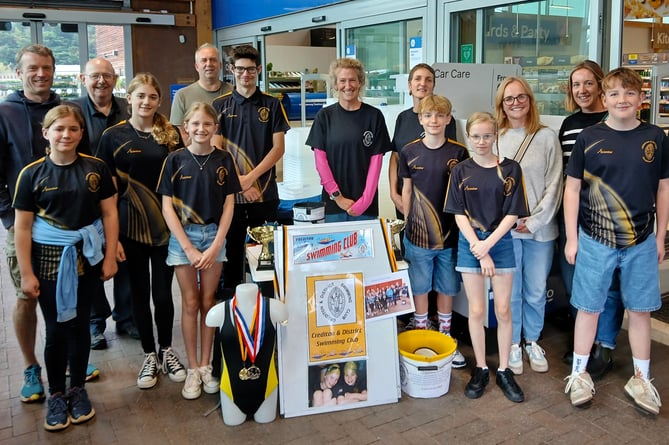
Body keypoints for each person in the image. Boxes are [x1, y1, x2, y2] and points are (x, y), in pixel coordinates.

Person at [563, 67, 669, 416]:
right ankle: (578, 375)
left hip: (641, 241)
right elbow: (573, 188)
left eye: (629, 93)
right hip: (595, 240)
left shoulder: (655, 137)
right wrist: (572, 238)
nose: (622, 99)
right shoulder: (588, 137)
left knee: (640, 310)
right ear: (604, 99)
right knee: (588, 308)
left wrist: (660, 235)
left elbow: (664, 188)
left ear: (641, 99)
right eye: (614, 94)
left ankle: (641, 377)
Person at [13, 105, 118, 431]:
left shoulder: (95, 168)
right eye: (58, 129)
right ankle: (57, 393)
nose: (66, 135)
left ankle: (78, 390)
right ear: (45, 133)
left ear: (81, 133)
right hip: (49, 263)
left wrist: (110, 255)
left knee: (81, 326)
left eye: (73, 129)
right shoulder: (31, 174)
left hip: (86, 259)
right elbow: (23, 228)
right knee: (57, 330)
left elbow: (110, 215)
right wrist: (27, 273)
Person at [96, 73, 186, 390]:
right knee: (138, 293)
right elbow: (105, 192)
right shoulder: (112, 137)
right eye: (140, 96)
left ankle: (167, 349)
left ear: (159, 101)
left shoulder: (172, 135)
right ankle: (148, 354)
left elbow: (183, 180)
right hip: (129, 230)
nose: (146, 102)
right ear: (129, 98)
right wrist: (112, 240)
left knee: (163, 294)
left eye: (151, 97)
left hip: (165, 228)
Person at [444, 111, 529, 403]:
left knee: (503, 309)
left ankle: (504, 369)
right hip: (470, 244)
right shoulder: (460, 170)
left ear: (496, 136)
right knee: (477, 310)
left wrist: (488, 246)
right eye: (476, 136)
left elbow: (513, 213)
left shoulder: (511, 169)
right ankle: (480, 367)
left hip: (500, 242)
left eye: (487, 136)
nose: (482, 142)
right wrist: (478, 249)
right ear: (469, 136)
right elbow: (458, 214)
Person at [158, 102, 240, 399]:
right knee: (190, 303)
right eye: (195, 124)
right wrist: (188, 248)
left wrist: (218, 242)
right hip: (184, 239)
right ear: (186, 128)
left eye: (207, 124)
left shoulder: (225, 159)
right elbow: (167, 206)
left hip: (214, 236)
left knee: (209, 302)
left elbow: (230, 203)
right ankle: (192, 368)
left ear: (215, 127)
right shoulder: (175, 160)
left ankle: (206, 365)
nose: (201, 129)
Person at [1, 44, 66, 403]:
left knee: (66, 296)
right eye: (33, 68)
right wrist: (10, 217)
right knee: (27, 295)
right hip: (23, 226)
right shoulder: (5, 113)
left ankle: (67, 359)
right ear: (19, 70)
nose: (41, 74)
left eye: (46, 68)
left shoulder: (65, 111)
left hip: (64, 227)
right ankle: (30, 365)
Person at [558, 60, 623, 379]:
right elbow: (565, 174)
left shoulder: (617, 120)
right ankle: (583, 339)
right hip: (573, 215)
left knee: (609, 285)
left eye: (587, 83)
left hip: (607, 218)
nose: (581, 90)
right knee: (575, 282)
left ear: (600, 85)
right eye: (575, 85)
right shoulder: (569, 124)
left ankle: (604, 346)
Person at [495, 77, 562, 375]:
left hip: (540, 230)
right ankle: (511, 344)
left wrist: (533, 221)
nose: (516, 103)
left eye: (521, 97)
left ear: (530, 100)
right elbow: (489, 187)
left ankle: (532, 340)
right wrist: (507, 220)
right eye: (509, 98)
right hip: (506, 231)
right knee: (511, 292)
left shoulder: (547, 137)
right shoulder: (495, 138)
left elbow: (555, 184)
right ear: (501, 104)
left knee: (535, 289)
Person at [69, 56, 136, 350]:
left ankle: (126, 317)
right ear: (84, 79)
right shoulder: (73, 112)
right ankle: (96, 323)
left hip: (124, 201)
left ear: (115, 79)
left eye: (107, 76)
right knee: (92, 260)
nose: (101, 81)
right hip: (86, 204)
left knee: (126, 260)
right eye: (95, 76)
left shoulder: (127, 108)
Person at [397, 94, 468, 369]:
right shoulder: (409, 151)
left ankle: (446, 334)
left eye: (440, 115)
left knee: (447, 286)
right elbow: (406, 188)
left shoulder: (459, 153)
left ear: (448, 119)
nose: (434, 120)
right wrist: (407, 217)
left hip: (451, 236)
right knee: (420, 285)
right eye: (428, 116)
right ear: (420, 119)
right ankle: (422, 330)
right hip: (417, 236)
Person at [212, 44, 289, 294]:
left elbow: (278, 149)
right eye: (240, 69)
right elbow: (218, 150)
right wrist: (240, 184)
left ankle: (266, 317)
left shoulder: (273, 104)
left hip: (264, 195)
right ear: (231, 70)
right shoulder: (219, 105)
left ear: (258, 70)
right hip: (230, 199)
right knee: (231, 262)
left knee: (265, 262)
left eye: (251, 70)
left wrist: (249, 180)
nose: (246, 74)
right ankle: (233, 322)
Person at [306, 57, 392, 222]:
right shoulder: (324, 116)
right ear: (335, 85)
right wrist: (337, 197)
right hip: (333, 204)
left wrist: (365, 201)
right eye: (342, 80)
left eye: (352, 80)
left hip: (365, 205)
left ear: (360, 82)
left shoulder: (374, 116)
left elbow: (376, 163)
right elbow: (320, 162)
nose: (348, 85)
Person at [205, 282, 289, 425]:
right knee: (233, 424)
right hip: (231, 393)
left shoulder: (275, 308)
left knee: (266, 421)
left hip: (267, 392)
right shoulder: (218, 312)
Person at [389, 63, 457, 219]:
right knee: (406, 240)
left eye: (428, 80)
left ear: (433, 86)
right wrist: (394, 193)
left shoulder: (445, 120)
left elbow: (451, 160)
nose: (423, 83)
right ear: (410, 85)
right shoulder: (402, 118)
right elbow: (395, 158)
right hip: (404, 194)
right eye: (417, 79)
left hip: (434, 200)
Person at [170, 43, 233, 142]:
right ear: (196, 66)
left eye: (213, 60)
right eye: (204, 60)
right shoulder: (182, 96)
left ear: (220, 65)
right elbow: (179, 133)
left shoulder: (234, 93)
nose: (209, 64)